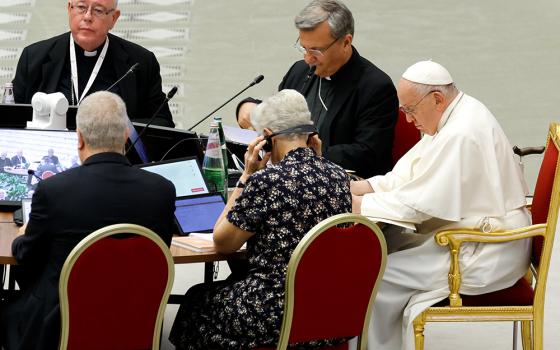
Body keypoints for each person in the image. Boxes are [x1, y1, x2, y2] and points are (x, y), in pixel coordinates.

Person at [350, 61, 531, 350]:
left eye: (410, 110)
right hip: (469, 233)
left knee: (377, 275)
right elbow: (411, 175)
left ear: (436, 98)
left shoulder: (461, 131)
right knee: (384, 250)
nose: (408, 120)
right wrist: (361, 188)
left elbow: (419, 205)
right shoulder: (455, 114)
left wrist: (357, 205)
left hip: (484, 249)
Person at [170, 89, 351, 349]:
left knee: (196, 299)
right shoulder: (339, 176)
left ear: (266, 138)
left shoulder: (266, 181)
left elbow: (223, 243)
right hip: (327, 308)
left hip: (272, 311)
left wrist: (246, 177)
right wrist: (319, 160)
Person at [0, 91, 176, 350]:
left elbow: (27, 257)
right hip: (133, 323)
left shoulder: (54, 190)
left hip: (57, 329)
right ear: (126, 136)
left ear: (79, 138)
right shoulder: (162, 190)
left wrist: (21, 235)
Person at [236, 0, 398, 179]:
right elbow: (278, 114)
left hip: (344, 188)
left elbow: (366, 154)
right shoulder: (299, 71)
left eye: (316, 50)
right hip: (290, 180)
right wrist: (247, 107)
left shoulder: (376, 87)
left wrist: (303, 153)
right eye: (303, 48)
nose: (307, 58)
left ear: (346, 42)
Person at [12, 0, 174, 127]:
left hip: (112, 161)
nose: (88, 17)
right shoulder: (34, 57)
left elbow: (162, 122)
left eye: (98, 10)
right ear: (69, 9)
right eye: (81, 7)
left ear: (114, 18)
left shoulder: (141, 62)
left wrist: (117, 131)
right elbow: (11, 117)